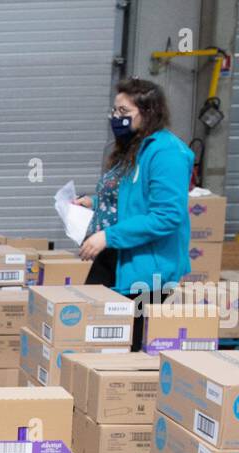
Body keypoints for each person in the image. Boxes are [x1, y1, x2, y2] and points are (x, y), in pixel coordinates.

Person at [77, 77, 193, 347]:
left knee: (126, 345)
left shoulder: (167, 153)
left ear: (148, 112)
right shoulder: (133, 148)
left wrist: (109, 236)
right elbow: (130, 196)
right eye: (115, 111)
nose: (116, 118)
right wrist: (94, 203)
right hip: (116, 255)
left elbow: (166, 216)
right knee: (91, 334)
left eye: (124, 112)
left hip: (145, 269)